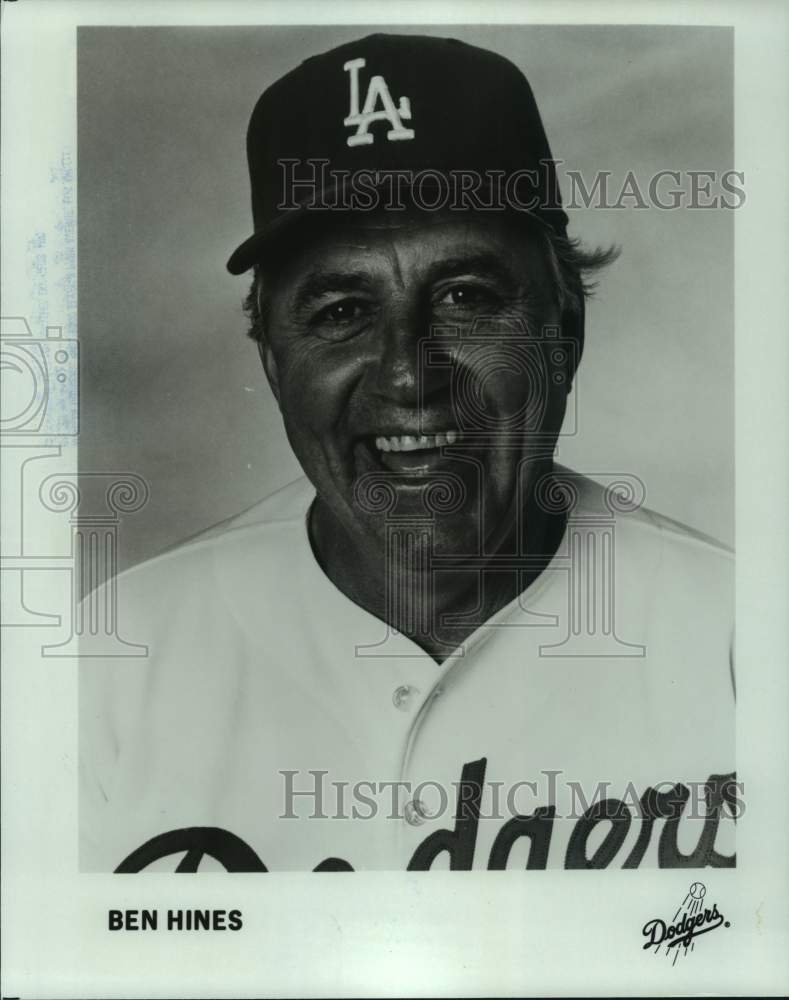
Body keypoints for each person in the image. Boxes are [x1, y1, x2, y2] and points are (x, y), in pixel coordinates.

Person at [80, 33, 736, 873]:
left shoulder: (740, 646)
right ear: (273, 362)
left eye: (464, 297)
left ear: (562, 332)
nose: (407, 376)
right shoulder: (108, 667)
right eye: (341, 311)